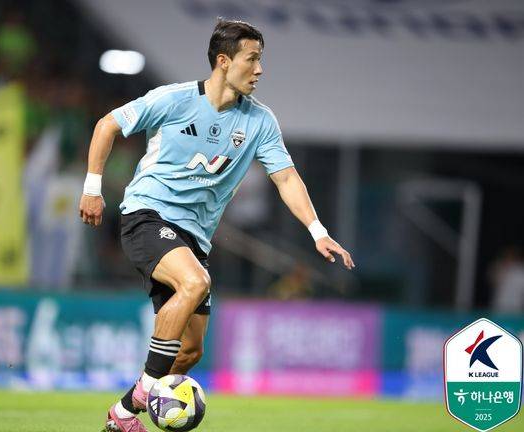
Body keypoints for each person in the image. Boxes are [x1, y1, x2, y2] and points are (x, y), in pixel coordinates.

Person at [79, 18, 355, 432]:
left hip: (194, 237)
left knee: (190, 352)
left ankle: (121, 415)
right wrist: (92, 188)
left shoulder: (259, 121)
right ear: (224, 61)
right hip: (147, 214)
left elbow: (286, 178)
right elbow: (108, 125)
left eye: (260, 60)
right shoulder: (174, 100)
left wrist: (318, 231)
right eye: (252, 59)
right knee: (195, 283)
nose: (260, 69)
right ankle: (144, 392)